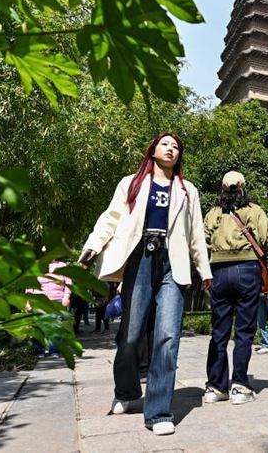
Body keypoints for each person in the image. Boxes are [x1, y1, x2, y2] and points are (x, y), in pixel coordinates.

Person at [78, 132, 212, 436]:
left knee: (167, 336)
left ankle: (159, 411)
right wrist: (91, 249)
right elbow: (110, 218)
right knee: (130, 335)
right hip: (139, 259)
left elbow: (196, 233)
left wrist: (204, 269)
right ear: (152, 150)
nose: (171, 149)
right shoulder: (132, 183)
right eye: (165, 144)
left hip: (172, 263)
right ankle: (126, 392)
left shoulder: (187, 190)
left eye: (176, 146)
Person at [202, 171, 268, 405]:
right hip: (247, 270)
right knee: (244, 331)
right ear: (243, 188)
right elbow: (267, 237)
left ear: (222, 190)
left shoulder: (214, 213)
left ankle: (216, 387)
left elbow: (201, 238)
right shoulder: (254, 210)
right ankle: (240, 386)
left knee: (219, 331)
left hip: (219, 272)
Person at [25, 258, 72, 357]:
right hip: (39, 300)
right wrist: (28, 302)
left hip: (57, 300)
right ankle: (39, 350)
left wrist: (66, 297)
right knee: (38, 326)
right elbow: (29, 284)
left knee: (57, 326)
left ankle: (54, 350)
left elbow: (69, 284)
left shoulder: (62, 265)